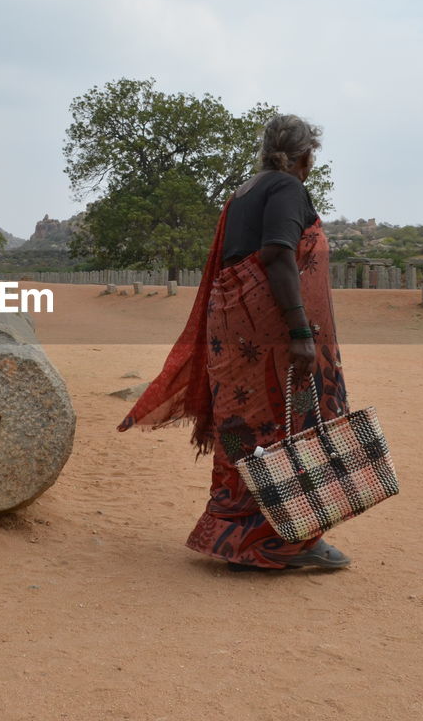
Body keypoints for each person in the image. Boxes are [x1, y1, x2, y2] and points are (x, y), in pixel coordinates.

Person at [117, 114, 352, 572]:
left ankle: (237, 537)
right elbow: (278, 252)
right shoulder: (286, 188)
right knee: (291, 426)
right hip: (272, 335)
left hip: (236, 329)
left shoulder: (243, 192)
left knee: (246, 428)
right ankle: (289, 540)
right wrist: (301, 331)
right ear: (305, 156)